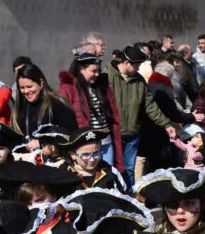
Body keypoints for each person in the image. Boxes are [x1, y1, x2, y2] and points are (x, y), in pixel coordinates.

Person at [108, 45, 175, 186]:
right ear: (127, 63)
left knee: (129, 170)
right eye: (136, 65)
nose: (138, 69)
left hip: (132, 134)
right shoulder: (107, 78)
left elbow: (149, 105)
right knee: (111, 171)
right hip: (113, 135)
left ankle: (129, 199)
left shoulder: (139, 80)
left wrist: (166, 124)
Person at [57, 52, 125, 173]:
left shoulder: (102, 86)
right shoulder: (69, 88)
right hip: (85, 146)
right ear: (82, 69)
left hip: (105, 142)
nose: (97, 74)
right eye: (93, 71)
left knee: (106, 175)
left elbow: (112, 115)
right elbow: (61, 117)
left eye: (98, 71)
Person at [11, 64, 78, 141]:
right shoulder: (19, 108)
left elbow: (71, 133)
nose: (26, 91)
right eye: (22, 87)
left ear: (41, 83)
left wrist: (43, 142)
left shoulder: (57, 104)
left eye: (29, 87)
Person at [60, 128, 127, 192]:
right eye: (85, 155)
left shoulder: (110, 172)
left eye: (96, 153)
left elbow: (123, 197)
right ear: (73, 155)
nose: (92, 159)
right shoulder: (64, 174)